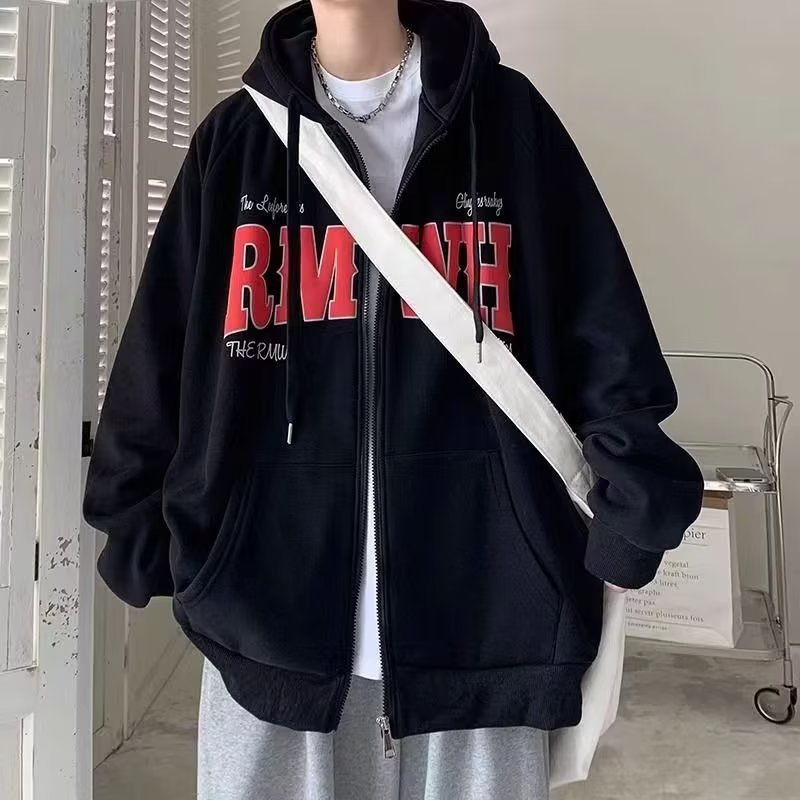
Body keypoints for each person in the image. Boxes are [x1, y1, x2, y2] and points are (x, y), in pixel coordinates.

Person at [84, 0, 704, 798]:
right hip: (266, 615)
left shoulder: (509, 122)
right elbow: (160, 349)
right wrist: (140, 522)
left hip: (490, 610)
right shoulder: (236, 140)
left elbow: (603, 326)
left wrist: (633, 510)